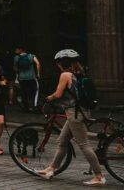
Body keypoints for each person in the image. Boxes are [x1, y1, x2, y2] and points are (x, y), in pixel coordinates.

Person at [35, 52, 108, 187]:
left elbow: (58, 94)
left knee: (84, 144)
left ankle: (99, 176)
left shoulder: (65, 75)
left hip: (75, 114)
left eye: (58, 63)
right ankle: (51, 169)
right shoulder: (80, 74)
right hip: (81, 112)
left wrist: (47, 99)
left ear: (61, 63)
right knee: (62, 141)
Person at [13, 46, 42, 111]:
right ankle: (34, 106)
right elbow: (38, 63)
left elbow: (15, 68)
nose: (15, 51)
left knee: (24, 93)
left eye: (16, 49)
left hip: (22, 78)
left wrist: (17, 75)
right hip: (32, 77)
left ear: (20, 49)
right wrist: (38, 74)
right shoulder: (31, 56)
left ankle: (26, 108)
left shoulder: (16, 58)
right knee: (34, 92)